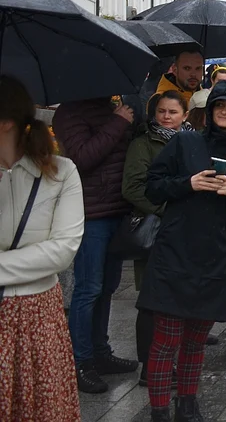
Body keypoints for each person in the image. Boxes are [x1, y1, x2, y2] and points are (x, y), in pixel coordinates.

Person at [138, 81, 226, 420]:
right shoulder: (184, 141)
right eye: (219, 105)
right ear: (210, 110)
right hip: (174, 254)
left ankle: (188, 408)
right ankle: (160, 412)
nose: (224, 111)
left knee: (195, 342)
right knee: (166, 340)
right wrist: (187, 184)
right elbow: (151, 187)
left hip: (213, 260)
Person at [0, 75, 83, 421]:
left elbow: (62, 250)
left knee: (39, 408)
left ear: (6, 123)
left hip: (36, 314)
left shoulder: (61, 172)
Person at [52, 93, 138, 393]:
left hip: (117, 208)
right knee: (88, 288)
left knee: (107, 288)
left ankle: (101, 353)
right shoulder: (68, 112)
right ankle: (81, 362)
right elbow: (82, 157)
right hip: (91, 214)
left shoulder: (108, 106)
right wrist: (117, 122)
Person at [122, 91, 191, 385]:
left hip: (183, 232)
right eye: (161, 111)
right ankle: (149, 369)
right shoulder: (144, 144)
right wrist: (167, 208)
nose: (166, 117)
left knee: (175, 300)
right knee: (152, 301)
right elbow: (133, 187)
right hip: (157, 230)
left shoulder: (191, 141)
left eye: (173, 112)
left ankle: (168, 363)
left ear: (184, 115)